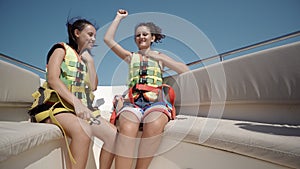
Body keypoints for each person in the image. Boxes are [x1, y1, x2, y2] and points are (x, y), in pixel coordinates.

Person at [104, 9, 189, 169]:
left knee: (154, 124)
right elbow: (108, 39)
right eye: (138, 35)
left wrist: (160, 58)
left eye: (145, 34)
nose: (141, 37)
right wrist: (118, 18)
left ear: (153, 37)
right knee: (127, 129)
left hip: (155, 101)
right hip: (133, 103)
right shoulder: (130, 57)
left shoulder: (161, 57)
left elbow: (184, 70)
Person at [28, 17, 116, 169]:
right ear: (77, 33)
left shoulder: (85, 60)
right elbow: (53, 79)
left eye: (95, 36)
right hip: (55, 107)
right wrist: (77, 103)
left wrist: (90, 63)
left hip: (77, 111)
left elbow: (93, 86)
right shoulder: (60, 50)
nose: (93, 38)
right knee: (83, 130)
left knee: (113, 135)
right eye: (90, 34)